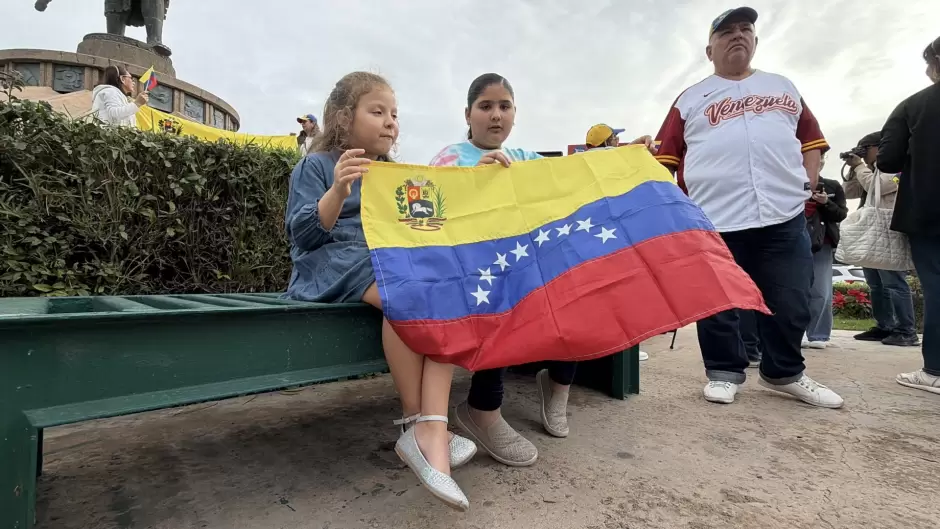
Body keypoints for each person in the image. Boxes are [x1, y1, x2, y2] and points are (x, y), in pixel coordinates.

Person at [283, 72, 474, 511]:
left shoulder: (392, 173)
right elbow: (304, 236)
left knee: (444, 291)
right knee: (406, 289)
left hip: (381, 262)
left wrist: (476, 180)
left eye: (394, 114)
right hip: (329, 263)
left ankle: (429, 427)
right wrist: (337, 190)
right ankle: (422, 426)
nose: (391, 123)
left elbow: (430, 217)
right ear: (344, 118)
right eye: (378, 112)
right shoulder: (316, 165)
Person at [652, 6, 843, 408]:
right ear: (709, 49)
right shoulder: (690, 99)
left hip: (782, 213)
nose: (737, 36)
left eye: (745, 29)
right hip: (713, 217)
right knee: (718, 303)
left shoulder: (783, 87)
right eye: (726, 32)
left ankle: (784, 372)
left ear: (755, 41)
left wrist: (809, 181)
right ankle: (723, 372)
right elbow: (665, 159)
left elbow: (811, 141)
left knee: (791, 299)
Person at [428, 73, 573, 466]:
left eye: (504, 106)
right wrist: (475, 182)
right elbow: (426, 218)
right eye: (486, 106)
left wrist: (626, 157)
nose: (496, 115)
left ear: (514, 114)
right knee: (502, 292)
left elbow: (571, 189)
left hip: (525, 267)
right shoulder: (450, 158)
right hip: (473, 273)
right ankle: (483, 410)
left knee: (574, 284)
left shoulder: (527, 160)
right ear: (468, 114)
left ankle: (559, 386)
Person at [877, 35, 940, 394]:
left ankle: (936, 368)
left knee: (936, 285)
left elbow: (887, 160)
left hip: (929, 209)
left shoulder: (914, 105)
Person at [842, 132, 920, 347]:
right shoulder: (869, 171)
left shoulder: (898, 167)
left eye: (865, 148)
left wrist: (860, 167)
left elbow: (882, 186)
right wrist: (852, 168)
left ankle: (906, 330)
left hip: (889, 231)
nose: (863, 154)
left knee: (893, 282)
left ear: (878, 147)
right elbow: (849, 193)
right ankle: (884, 325)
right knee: (875, 283)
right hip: (871, 231)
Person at [583, 123, 652, 362]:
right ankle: (625, 345)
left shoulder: (577, 162)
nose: (618, 142)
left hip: (586, 240)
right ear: (608, 142)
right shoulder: (614, 158)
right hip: (615, 236)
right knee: (622, 291)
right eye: (615, 138)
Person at [802, 155, 848, 348]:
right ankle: (794, 333)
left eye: (819, 159)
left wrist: (825, 203)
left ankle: (818, 334)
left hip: (822, 241)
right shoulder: (791, 184)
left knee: (821, 290)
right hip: (794, 239)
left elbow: (841, 213)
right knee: (793, 289)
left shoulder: (831, 185)